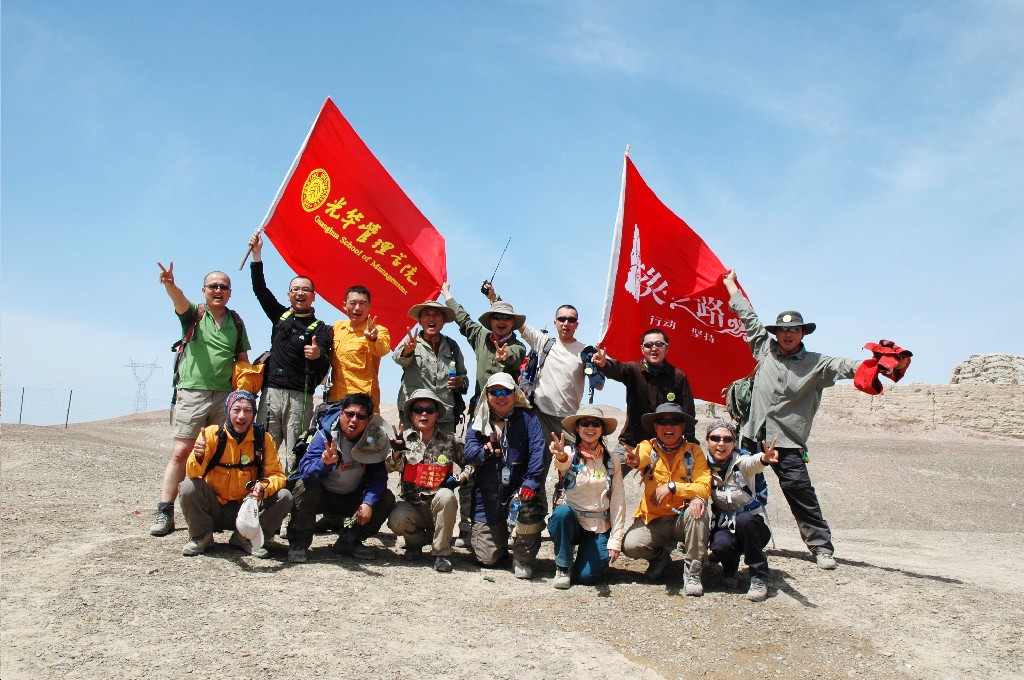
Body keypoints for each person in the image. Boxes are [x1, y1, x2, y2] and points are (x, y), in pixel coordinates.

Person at [724, 269, 865, 570]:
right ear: (776, 333)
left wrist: (876, 365)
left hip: (786, 442)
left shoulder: (817, 365)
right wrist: (731, 286)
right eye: (783, 330)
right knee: (738, 493)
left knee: (801, 494)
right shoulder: (765, 350)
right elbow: (749, 317)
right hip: (751, 438)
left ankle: (821, 547)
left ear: (803, 333)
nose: (787, 335)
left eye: (795, 330)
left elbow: (847, 366)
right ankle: (734, 544)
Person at [151, 263, 250, 537]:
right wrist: (170, 284)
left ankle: (212, 511)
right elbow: (178, 300)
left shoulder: (237, 322)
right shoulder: (194, 314)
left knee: (217, 455)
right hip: (193, 391)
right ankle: (165, 511)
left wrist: (245, 393)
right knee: (181, 452)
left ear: (230, 292)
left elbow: (242, 361)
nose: (218, 290)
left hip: (225, 398)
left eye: (223, 286)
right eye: (213, 286)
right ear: (204, 291)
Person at [440, 280, 528, 548]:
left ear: (512, 323)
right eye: (496, 317)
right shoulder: (479, 336)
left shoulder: (519, 346)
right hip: (479, 411)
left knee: (509, 468)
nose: (501, 321)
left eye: (506, 318)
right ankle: (467, 526)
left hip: (507, 414)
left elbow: (512, 355)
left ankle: (511, 526)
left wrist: (505, 356)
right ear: (490, 321)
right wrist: (448, 296)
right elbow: (463, 318)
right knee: (471, 465)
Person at [248, 233, 333, 465]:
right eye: (295, 289)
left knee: (297, 452)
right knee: (264, 449)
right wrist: (257, 256)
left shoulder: (322, 329)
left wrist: (317, 355)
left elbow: (325, 361)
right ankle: (260, 495)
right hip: (271, 393)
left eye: (306, 290)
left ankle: (292, 498)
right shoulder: (280, 316)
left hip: (300, 397)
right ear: (289, 294)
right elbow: (260, 291)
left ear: (314, 297)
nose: (300, 293)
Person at [178, 391, 292, 558]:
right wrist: (199, 456)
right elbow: (193, 473)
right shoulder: (211, 435)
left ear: (254, 413)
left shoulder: (263, 439)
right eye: (236, 409)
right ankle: (201, 536)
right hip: (214, 507)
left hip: (247, 509)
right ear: (227, 411)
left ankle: (246, 538)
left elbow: (277, 475)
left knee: (285, 496)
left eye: (248, 411)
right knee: (189, 487)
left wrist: (262, 488)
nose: (241, 416)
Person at [286, 393, 396, 563]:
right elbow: (305, 470)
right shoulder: (324, 435)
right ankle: (299, 542)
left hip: (352, 498)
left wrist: (368, 502)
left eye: (360, 416)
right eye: (349, 414)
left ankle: (349, 540)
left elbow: (378, 478)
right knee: (303, 485)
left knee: (385, 498)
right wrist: (324, 463)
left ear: (369, 419)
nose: (353, 421)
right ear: (341, 413)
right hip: (322, 495)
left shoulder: (373, 440)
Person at [621, 402, 711, 596]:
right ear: (655, 426)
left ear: (683, 426)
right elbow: (640, 457)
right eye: (662, 421)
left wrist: (673, 487)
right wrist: (635, 461)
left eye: (674, 421)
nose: (668, 426)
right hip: (655, 519)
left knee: (698, 512)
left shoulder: (694, 451)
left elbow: (704, 487)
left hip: (683, 518)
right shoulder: (648, 447)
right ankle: (660, 557)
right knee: (630, 546)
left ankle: (693, 571)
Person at [463, 373, 546, 578]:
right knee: (487, 558)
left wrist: (531, 482)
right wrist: (486, 451)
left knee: (528, 503)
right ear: (487, 395)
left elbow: (538, 451)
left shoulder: (528, 418)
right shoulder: (479, 420)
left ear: (514, 393)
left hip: (519, 489)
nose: (501, 397)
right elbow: (469, 452)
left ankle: (522, 559)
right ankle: (499, 545)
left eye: (506, 391)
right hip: (488, 495)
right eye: (495, 392)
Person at [385, 389, 471, 573]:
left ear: (437, 414)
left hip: (438, 506)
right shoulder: (404, 439)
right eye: (418, 409)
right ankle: (417, 543)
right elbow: (389, 467)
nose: (424, 414)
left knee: (447, 496)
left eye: (429, 410)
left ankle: (441, 554)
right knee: (396, 519)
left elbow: (470, 463)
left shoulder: (450, 440)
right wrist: (397, 451)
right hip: (412, 505)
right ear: (411, 414)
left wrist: (461, 478)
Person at [592, 329, 696, 474]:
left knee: (668, 490)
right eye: (648, 345)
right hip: (632, 442)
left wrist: (690, 439)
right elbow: (617, 368)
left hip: (666, 446)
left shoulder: (678, 377)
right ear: (642, 349)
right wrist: (604, 365)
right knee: (606, 478)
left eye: (659, 344)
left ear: (666, 348)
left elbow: (688, 410)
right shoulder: (633, 370)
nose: (654, 348)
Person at [547, 405, 626, 589]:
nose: (590, 428)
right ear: (577, 428)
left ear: (602, 429)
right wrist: (560, 456)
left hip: (598, 526)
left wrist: (616, 539)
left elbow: (618, 500)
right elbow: (562, 464)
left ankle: (587, 556)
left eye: (595, 424)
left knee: (587, 577)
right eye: (585, 423)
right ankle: (563, 566)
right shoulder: (568, 453)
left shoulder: (612, 460)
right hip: (572, 522)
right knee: (561, 513)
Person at [704, 419, 778, 602]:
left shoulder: (741, 462)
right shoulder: (702, 465)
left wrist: (764, 458)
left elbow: (753, 463)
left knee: (744, 519)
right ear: (707, 441)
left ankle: (758, 575)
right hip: (725, 525)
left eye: (727, 439)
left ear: (734, 443)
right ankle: (730, 566)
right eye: (715, 438)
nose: (721, 443)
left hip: (752, 526)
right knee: (719, 545)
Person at [393, 300, 469, 435]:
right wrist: (408, 350)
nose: (431, 318)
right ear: (420, 321)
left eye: (436, 315)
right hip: (414, 416)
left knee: (444, 455)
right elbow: (400, 359)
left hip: (444, 416)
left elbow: (464, 379)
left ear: (444, 321)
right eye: (427, 314)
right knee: (411, 454)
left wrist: (460, 383)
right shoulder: (411, 341)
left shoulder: (452, 346)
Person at [327, 286, 391, 411]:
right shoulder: (338, 327)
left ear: (369, 306)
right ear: (345, 305)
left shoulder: (379, 330)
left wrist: (372, 338)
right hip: (336, 400)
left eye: (362, 303)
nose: (357, 308)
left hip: (362, 403)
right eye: (353, 303)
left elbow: (382, 350)